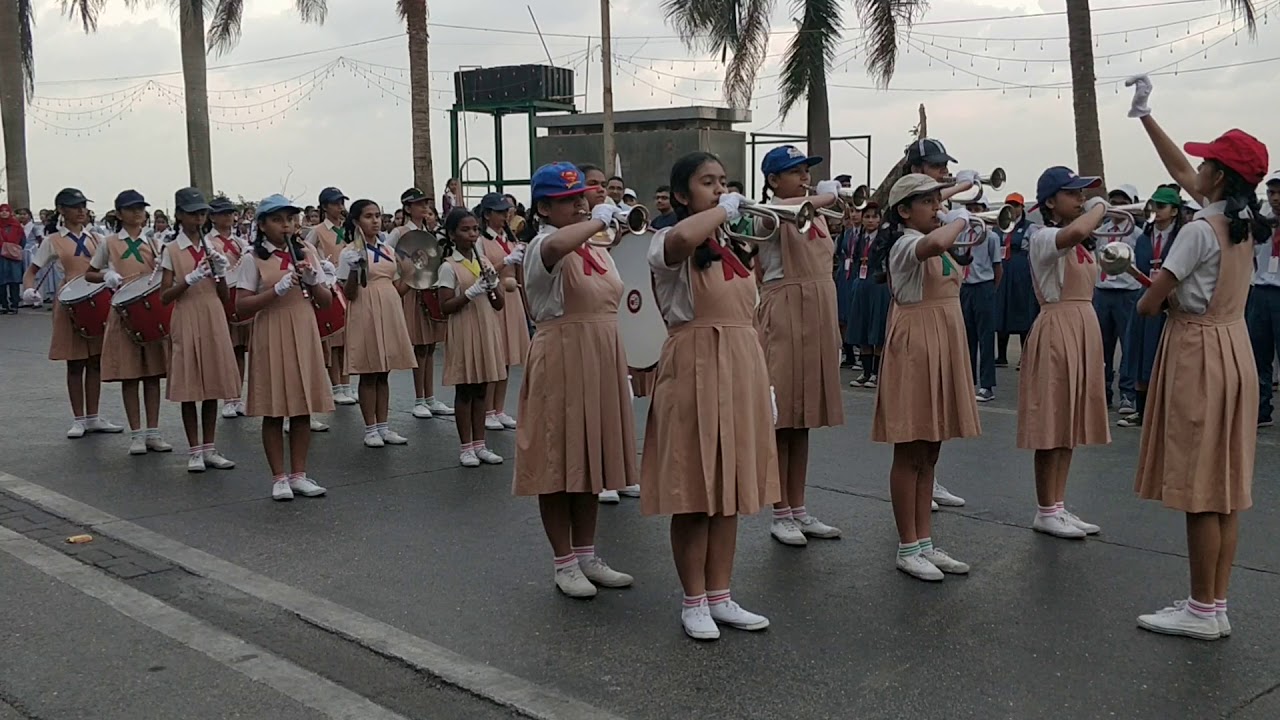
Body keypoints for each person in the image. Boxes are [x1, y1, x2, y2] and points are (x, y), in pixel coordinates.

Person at [1126, 74, 1269, 640]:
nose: (1196, 169)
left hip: (1197, 349)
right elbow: (1183, 173)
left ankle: (1200, 607)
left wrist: (1129, 272)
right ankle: (1215, 603)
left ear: (1220, 176)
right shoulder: (1242, 224)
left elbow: (1147, 305)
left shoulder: (1196, 230)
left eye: (1207, 163)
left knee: (1200, 488)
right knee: (1226, 486)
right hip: (1235, 349)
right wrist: (1145, 117)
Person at [642, 151, 778, 639]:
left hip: (741, 364)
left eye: (724, 182)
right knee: (694, 488)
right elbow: (680, 239)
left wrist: (764, 386)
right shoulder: (667, 239)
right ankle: (693, 599)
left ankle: (721, 594)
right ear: (682, 195)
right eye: (707, 182)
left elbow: (751, 322)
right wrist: (724, 209)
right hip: (694, 364)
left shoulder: (736, 245)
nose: (720, 189)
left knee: (730, 488)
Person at [513, 162, 636, 598]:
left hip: (600, 352)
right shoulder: (543, 244)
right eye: (567, 199)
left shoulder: (595, 242)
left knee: (590, 457)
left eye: (581, 195)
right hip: (562, 353)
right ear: (543, 207)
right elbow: (555, 247)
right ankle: (563, 561)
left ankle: (586, 553)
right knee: (557, 459)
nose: (580, 203)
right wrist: (598, 219)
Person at [869, 174, 981, 580]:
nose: (937, 207)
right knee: (910, 449)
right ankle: (907, 546)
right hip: (916, 343)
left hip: (944, 339)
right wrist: (961, 217)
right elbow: (935, 242)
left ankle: (925, 543)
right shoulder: (904, 244)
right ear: (903, 210)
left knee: (930, 449)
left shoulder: (936, 236)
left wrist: (952, 211)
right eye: (928, 202)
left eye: (939, 200)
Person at [755, 145, 844, 546]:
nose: (804, 177)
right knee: (782, 418)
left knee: (803, 416)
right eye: (795, 172)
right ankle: (779, 512)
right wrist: (826, 195)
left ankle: (798, 506)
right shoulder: (768, 213)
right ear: (773, 181)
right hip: (785, 312)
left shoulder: (816, 213)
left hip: (818, 312)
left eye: (806, 171)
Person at [1017, 167, 1111, 539]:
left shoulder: (1083, 243)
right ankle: (1045, 508)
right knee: (1052, 421)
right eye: (1073, 193)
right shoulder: (1043, 236)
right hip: (1057, 326)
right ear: (1051, 201)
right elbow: (1074, 231)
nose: (1081, 199)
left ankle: (1058, 504)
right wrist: (1101, 208)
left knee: (1069, 422)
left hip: (1082, 324)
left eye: (1083, 193)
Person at [235, 194, 335, 501]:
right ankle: (279, 477)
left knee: (302, 405)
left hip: (303, 327)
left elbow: (326, 302)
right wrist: (275, 291)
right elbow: (240, 307)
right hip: (272, 330)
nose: (287, 226)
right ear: (263, 224)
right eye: (278, 220)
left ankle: (299, 474)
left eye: (291, 219)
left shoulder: (306, 252)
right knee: (275, 407)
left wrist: (313, 279)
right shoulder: (252, 258)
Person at [900, 138, 971, 509]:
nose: (944, 173)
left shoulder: (936, 216)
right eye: (936, 167)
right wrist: (957, 211)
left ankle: (929, 479)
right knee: (914, 425)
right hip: (918, 323)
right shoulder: (906, 233)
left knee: (934, 425)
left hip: (942, 322)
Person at [21, 188, 122, 437]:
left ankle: (94, 416)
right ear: (62, 210)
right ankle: (79, 418)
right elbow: (32, 271)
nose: (81, 211)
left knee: (95, 361)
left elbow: (110, 266)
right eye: (75, 206)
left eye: (83, 206)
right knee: (75, 362)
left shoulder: (97, 239)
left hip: (97, 299)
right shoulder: (52, 240)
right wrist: (29, 290)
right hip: (70, 302)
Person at [158, 188, 240, 473]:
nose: (198, 218)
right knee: (191, 384)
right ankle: (194, 450)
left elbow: (225, 296)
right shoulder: (171, 250)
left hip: (212, 314)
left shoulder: (213, 247)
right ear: (179, 215)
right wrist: (189, 279)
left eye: (202, 213)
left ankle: (209, 447)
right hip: (187, 314)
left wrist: (219, 273)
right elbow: (165, 295)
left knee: (212, 383)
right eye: (192, 213)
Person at [84, 190, 171, 455]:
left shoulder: (155, 242)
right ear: (119, 213)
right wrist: (106, 275)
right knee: (130, 375)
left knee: (153, 375)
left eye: (141, 209)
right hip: (123, 312)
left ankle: (153, 432)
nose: (138, 213)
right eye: (131, 209)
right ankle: (136, 434)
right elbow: (90, 273)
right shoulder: (109, 242)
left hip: (150, 312)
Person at [336, 199, 416, 448]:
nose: (375, 221)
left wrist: (414, 274)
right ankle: (370, 428)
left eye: (378, 216)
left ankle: (384, 426)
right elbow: (348, 293)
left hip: (389, 307)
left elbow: (397, 287)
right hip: (365, 307)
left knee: (384, 371)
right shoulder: (349, 251)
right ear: (357, 220)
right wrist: (352, 269)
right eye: (368, 216)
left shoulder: (388, 250)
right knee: (369, 371)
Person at [435, 208, 508, 466]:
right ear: (453, 234)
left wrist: (491, 286)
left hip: (485, 325)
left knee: (482, 388)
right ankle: (466, 446)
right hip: (464, 328)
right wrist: (471, 291)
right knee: (465, 388)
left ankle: (481, 444)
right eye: (465, 230)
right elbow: (445, 307)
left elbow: (499, 304)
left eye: (475, 229)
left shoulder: (485, 262)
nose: (472, 234)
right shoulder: (448, 266)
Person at [1117, 186, 1184, 428]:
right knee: (1137, 352)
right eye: (1153, 205)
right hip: (1144, 296)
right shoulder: (1145, 236)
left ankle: (1165, 413)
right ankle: (1142, 410)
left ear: (1175, 211)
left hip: (1168, 301)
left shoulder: (1181, 237)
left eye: (1161, 206)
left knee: (1161, 355)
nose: (1155, 210)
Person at [388, 189, 453, 419]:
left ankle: (430, 397)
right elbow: (389, 258)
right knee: (419, 345)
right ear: (407, 208)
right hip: (410, 291)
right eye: (419, 204)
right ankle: (418, 399)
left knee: (429, 345)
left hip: (429, 290)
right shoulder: (399, 232)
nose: (424, 208)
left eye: (426, 204)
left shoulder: (429, 232)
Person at [477, 192, 530, 432]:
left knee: (508, 357)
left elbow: (518, 273)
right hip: (494, 297)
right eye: (499, 211)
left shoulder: (509, 238)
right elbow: (484, 272)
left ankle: (499, 408)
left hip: (512, 298)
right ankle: (487, 409)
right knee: (495, 356)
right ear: (487, 214)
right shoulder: (481, 241)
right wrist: (507, 260)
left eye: (506, 211)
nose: (504, 215)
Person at [1094, 184, 1144, 415]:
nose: (1117, 207)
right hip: (1103, 292)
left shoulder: (1137, 234)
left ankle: (1127, 394)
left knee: (1128, 346)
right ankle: (1102, 392)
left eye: (1123, 203)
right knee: (1100, 346)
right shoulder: (1102, 231)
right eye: (1113, 202)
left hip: (1127, 293)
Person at [307, 187, 357, 407]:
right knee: (333, 338)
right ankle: (335, 385)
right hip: (328, 285)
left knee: (347, 338)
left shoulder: (347, 229)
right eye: (335, 203)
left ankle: (346, 385)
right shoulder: (317, 231)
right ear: (325, 206)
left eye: (341, 203)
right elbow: (309, 254)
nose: (340, 207)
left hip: (346, 284)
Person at [205, 198, 252, 419]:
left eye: (230, 213)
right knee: (226, 349)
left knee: (240, 349)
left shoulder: (241, 242)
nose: (227, 217)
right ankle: (227, 398)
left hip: (239, 294)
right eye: (222, 214)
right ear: (212, 217)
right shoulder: (208, 241)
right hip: (221, 295)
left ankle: (237, 395)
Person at [958, 197, 1003, 402]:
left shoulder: (990, 237)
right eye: (969, 208)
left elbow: (997, 267)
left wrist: (991, 289)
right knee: (967, 338)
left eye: (977, 208)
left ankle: (987, 385)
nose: (973, 212)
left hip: (983, 286)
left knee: (986, 338)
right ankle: (968, 381)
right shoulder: (960, 233)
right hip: (965, 288)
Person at [1247, 170, 1280, 426]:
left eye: (1279, 193)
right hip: (1260, 292)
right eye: (1272, 193)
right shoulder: (1263, 224)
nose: (1276, 198)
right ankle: (1261, 408)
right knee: (1258, 353)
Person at [846, 203, 889, 387]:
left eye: (874, 216)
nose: (871, 220)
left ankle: (876, 374)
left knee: (876, 328)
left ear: (880, 219)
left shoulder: (884, 238)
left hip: (878, 284)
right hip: (862, 283)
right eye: (867, 217)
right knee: (862, 327)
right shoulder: (858, 238)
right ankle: (865, 371)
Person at [995, 193, 1040, 367]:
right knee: (1002, 309)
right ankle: (1001, 355)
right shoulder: (998, 226)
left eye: (1016, 205)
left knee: (1022, 310)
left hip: (1021, 271)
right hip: (1003, 269)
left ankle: (1025, 355)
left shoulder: (1030, 227)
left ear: (1022, 208)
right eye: (1010, 205)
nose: (1013, 209)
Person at [833, 202, 863, 367]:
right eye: (852, 211)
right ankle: (848, 352)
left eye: (858, 211)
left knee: (854, 313)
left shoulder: (864, 233)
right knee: (842, 315)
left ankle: (860, 353)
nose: (854, 215)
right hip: (844, 274)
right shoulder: (847, 233)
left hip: (858, 273)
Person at [0, 204, 24, 314]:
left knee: (14, 281)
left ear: (10, 212)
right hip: (1, 257)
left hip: (14, 257)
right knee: (1, 282)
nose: (4, 213)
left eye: (6, 211)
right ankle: (4, 305)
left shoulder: (16, 226)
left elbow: (23, 240)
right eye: (1, 211)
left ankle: (14, 305)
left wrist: (14, 248)